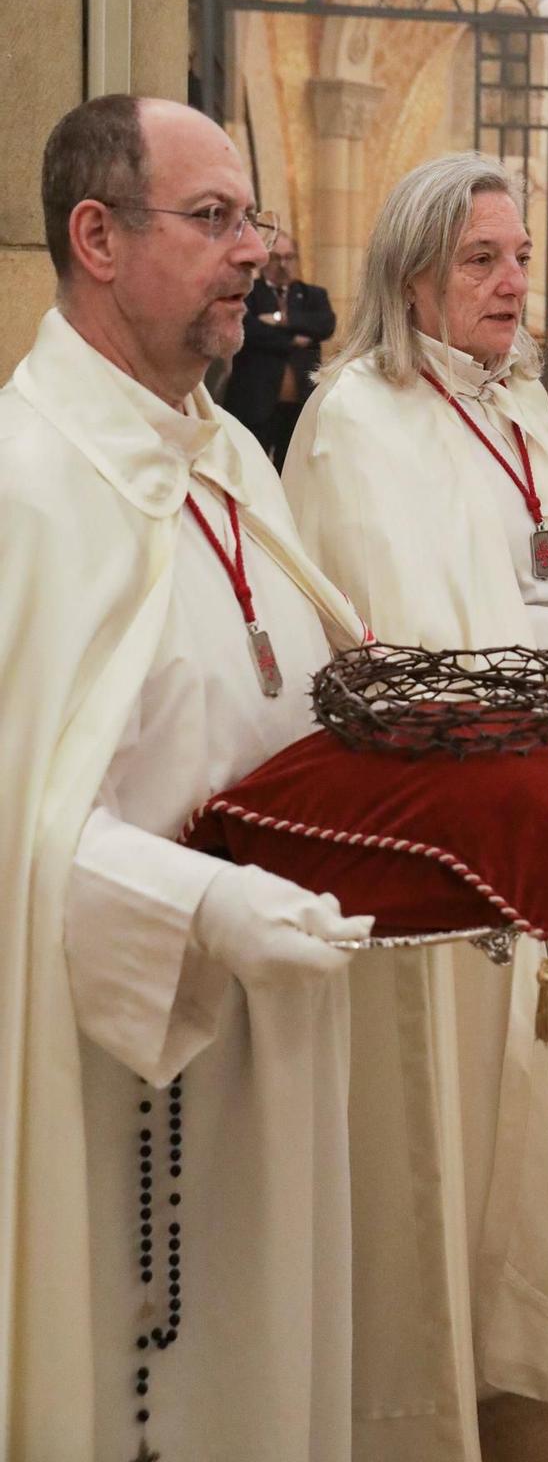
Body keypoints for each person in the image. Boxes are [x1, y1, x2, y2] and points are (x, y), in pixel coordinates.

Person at [0, 94, 374, 1459]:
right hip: (127, 1042)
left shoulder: (224, 452)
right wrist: (200, 911)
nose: (256, 254)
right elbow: (21, 833)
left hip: (275, 1007)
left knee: (262, 1354)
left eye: (251, 219)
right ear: (96, 238)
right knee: (152, 1366)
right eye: (212, 219)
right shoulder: (26, 486)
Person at [282, 153, 548, 1423]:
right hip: (444, 812)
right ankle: (446, 1358)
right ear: (412, 276)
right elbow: (403, 634)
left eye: (517, 255)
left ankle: (544, 1301)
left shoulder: (511, 401)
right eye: (479, 260)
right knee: (460, 1102)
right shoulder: (357, 416)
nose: (513, 281)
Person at [224, 231, 335, 468]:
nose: (283, 265)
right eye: (276, 258)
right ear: (264, 259)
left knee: (292, 470)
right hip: (256, 401)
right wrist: (294, 339)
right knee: (251, 469)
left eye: (289, 257)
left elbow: (325, 324)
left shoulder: (312, 295)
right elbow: (249, 330)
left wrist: (279, 319)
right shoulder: (247, 293)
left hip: (300, 404)